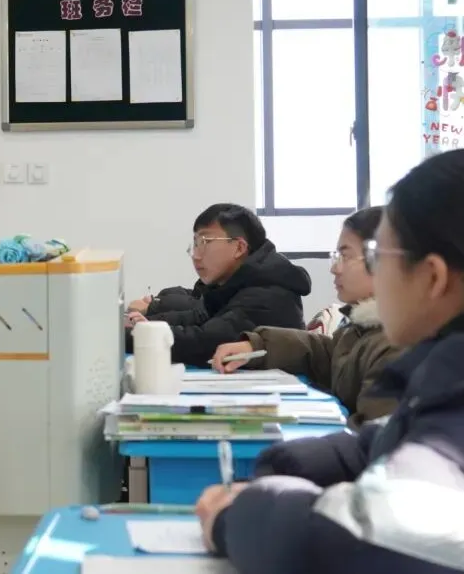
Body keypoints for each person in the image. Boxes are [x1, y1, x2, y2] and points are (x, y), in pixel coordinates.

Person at [195, 149, 464, 574]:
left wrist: (232, 517)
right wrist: (286, 463)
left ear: (433, 277)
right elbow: (388, 438)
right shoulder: (442, 378)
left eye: (379, 258)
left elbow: (351, 541)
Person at [209, 207, 400, 429]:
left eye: (345, 256)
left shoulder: (394, 345)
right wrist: (257, 345)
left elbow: (373, 439)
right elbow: (328, 354)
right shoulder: (361, 329)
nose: (335, 268)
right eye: (336, 256)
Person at [126, 203, 311, 365]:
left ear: (239, 247)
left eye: (205, 242)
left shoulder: (268, 294)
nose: (195, 255)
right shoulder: (233, 285)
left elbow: (205, 342)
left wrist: (127, 337)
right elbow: (199, 318)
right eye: (195, 244)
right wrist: (148, 325)